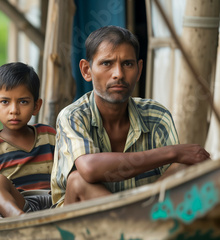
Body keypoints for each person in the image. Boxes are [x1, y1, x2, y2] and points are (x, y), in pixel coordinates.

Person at [51, 25, 210, 207]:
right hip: (85, 226)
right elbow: (89, 169)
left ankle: (139, 222)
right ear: (87, 70)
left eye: (127, 64)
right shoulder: (73, 116)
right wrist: (174, 152)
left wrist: (180, 159)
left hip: (145, 213)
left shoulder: (157, 116)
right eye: (107, 63)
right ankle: (138, 223)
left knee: (185, 167)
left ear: (139, 69)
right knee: (78, 180)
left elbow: (174, 175)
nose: (118, 74)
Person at [0, 62, 56, 218]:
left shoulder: (49, 136)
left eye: (23, 101)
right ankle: (20, 220)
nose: (14, 110)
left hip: (56, 204)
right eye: (5, 102)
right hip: (19, 207)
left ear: (36, 106)